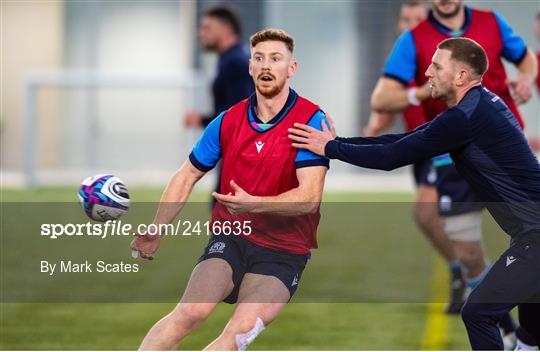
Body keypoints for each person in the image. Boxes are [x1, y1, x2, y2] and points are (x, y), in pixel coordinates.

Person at [289, 37, 540, 351]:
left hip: (536, 237)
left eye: (437, 66)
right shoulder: (476, 105)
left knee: (478, 313)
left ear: (461, 76)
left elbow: (390, 158)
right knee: (529, 337)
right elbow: (401, 141)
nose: (427, 73)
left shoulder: (463, 118)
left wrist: (330, 148)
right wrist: (336, 143)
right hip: (530, 235)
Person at [131, 28, 330, 350]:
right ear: (250, 67)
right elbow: (186, 175)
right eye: (259, 58)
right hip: (231, 238)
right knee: (190, 313)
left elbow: (308, 199)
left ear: (291, 68)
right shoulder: (227, 121)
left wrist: (254, 204)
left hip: (284, 252)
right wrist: (157, 227)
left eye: (276, 59)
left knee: (237, 334)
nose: (267, 66)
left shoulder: (311, 122)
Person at [368, 0, 538, 318]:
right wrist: (424, 89)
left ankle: (516, 323)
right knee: (460, 240)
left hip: (504, 150)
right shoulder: (413, 38)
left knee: (532, 232)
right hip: (450, 153)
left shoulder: (492, 22)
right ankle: (479, 292)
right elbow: (381, 99)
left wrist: (526, 78)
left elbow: (526, 60)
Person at [184, 6, 254, 128]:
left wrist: (202, 120)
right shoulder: (235, 57)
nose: (201, 34)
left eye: (207, 28)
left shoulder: (234, 62)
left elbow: (239, 115)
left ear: (226, 29)